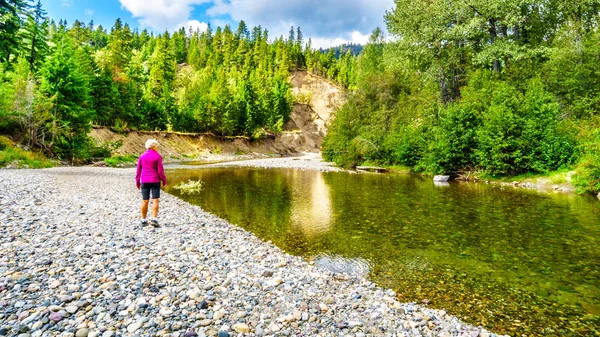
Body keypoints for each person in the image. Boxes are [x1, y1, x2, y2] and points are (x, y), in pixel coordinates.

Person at [135, 138, 167, 227]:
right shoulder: (157, 156)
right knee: (155, 199)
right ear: (153, 146)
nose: (158, 147)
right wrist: (164, 180)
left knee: (145, 200)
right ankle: (154, 219)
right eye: (157, 146)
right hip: (155, 180)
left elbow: (138, 171)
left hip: (144, 181)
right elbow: (160, 171)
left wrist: (137, 181)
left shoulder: (142, 156)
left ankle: (143, 220)